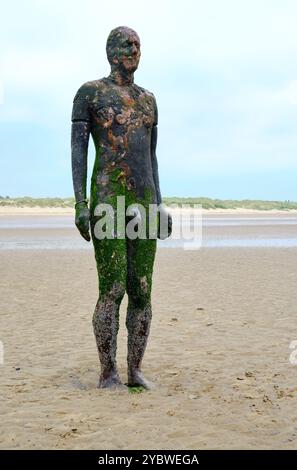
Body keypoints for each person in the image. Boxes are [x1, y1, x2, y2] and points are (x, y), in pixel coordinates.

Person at [71, 26, 171, 389]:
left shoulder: (148, 100)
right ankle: (107, 371)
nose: (134, 49)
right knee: (112, 287)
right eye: (127, 44)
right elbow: (79, 151)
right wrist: (81, 203)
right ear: (110, 50)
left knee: (142, 289)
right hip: (107, 198)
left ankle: (135, 370)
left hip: (143, 203)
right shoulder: (91, 94)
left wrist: (159, 205)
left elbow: (151, 156)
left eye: (138, 45)